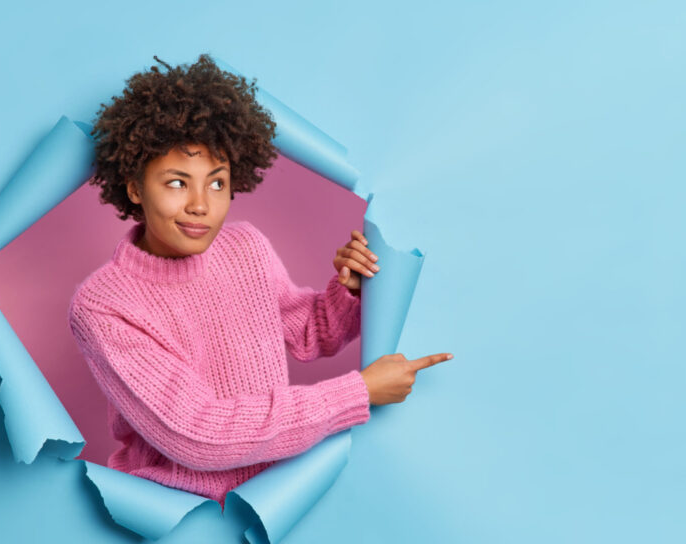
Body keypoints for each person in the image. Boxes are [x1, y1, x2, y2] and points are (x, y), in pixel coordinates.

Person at [67, 54, 453, 504]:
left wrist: (347, 288)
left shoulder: (244, 247)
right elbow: (199, 435)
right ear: (135, 187)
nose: (200, 204)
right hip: (180, 515)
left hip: (277, 497)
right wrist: (358, 391)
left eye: (216, 182)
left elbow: (310, 333)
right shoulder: (103, 304)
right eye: (176, 183)